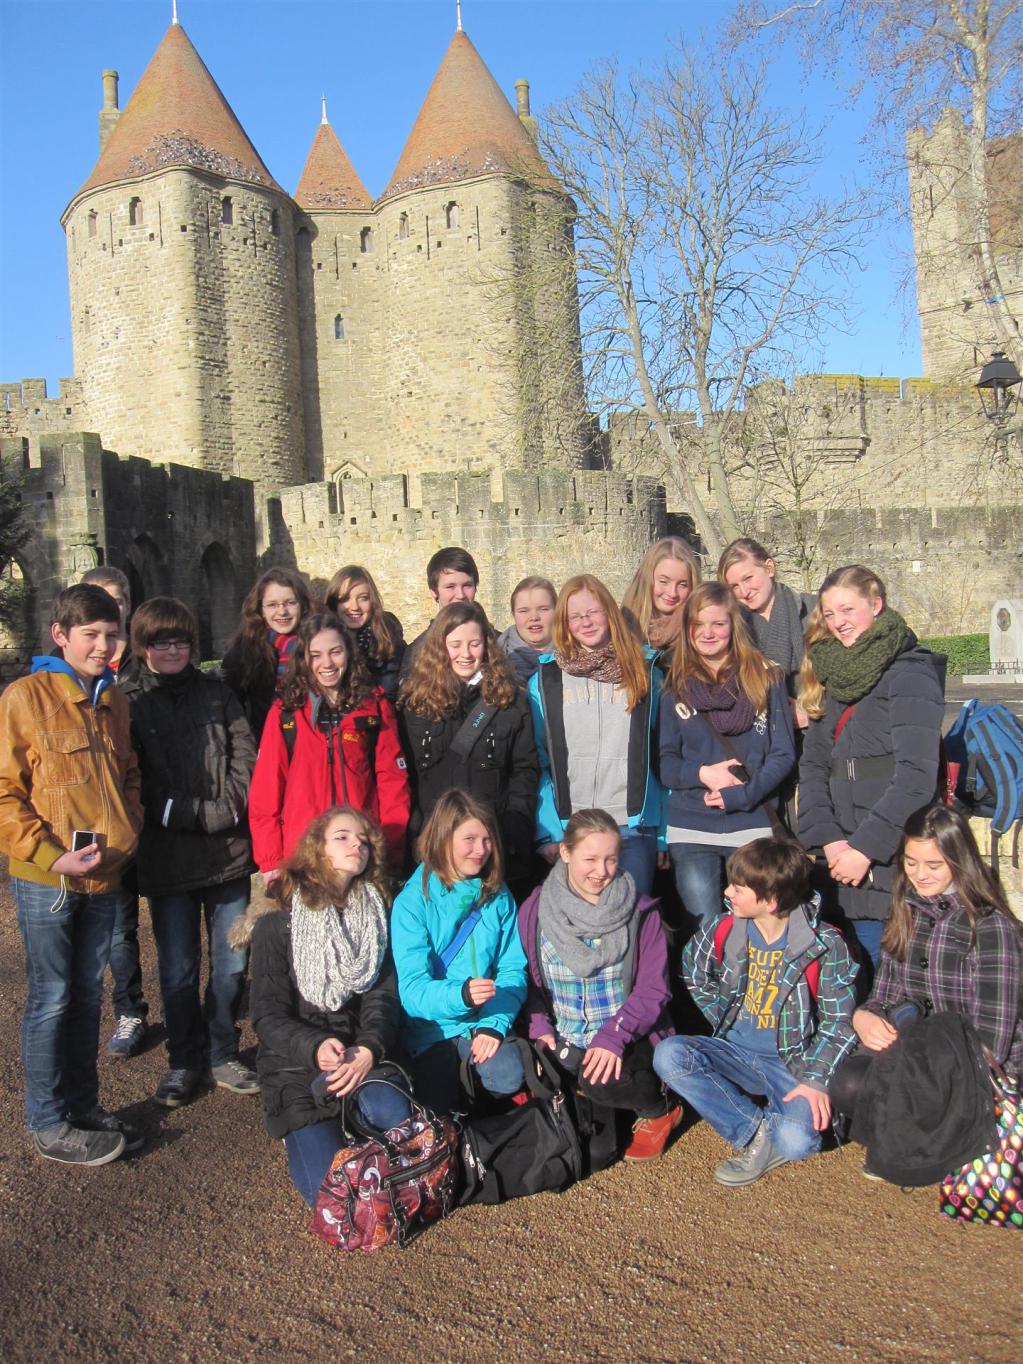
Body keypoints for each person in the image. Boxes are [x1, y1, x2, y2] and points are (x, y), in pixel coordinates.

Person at [0, 585, 144, 1165]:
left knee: (87, 995)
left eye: (112, 634)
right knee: (52, 997)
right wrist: (46, 853)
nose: (103, 646)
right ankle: (47, 1120)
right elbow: (5, 791)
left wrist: (129, 829)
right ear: (60, 636)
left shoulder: (115, 699)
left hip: (103, 875)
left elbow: (129, 775)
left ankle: (83, 1107)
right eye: (91, 635)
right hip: (49, 879)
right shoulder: (25, 698)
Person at [654, 838, 858, 1186]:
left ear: (771, 901)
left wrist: (816, 1080)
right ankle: (755, 1130)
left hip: (791, 1062)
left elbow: (838, 1023)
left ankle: (774, 1123)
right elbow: (692, 970)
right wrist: (721, 1013)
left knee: (797, 1144)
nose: (727, 892)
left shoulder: (825, 944)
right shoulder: (723, 928)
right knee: (669, 1055)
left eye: (738, 888)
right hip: (734, 1051)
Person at [122, 597, 260, 1108]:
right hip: (168, 856)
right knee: (178, 969)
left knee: (231, 965)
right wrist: (190, 814)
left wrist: (227, 809)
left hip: (228, 853)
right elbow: (134, 778)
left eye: (181, 640)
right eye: (161, 641)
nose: (173, 650)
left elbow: (246, 758)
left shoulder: (217, 694)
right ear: (143, 647)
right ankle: (183, 1060)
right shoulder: (130, 703)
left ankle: (222, 1051)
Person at [249, 807, 412, 1207]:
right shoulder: (277, 924)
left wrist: (368, 1048)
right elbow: (267, 1016)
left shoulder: (376, 917)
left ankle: (360, 1125)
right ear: (317, 849)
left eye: (363, 840)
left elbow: (383, 997)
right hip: (296, 1068)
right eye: (342, 837)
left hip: (360, 1055)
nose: (356, 844)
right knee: (335, 1199)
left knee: (400, 1127)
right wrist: (315, 1046)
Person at [831, 804, 1023, 1139]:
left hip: (975, 1063)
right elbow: (884, 996)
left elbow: (992, 1040)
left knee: (905, 1092)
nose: (920, 874)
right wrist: (863, 1017)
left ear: (959, 861)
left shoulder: (990, 927)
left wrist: (921, 1067)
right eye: (911, 862)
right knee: (850, 1083)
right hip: (919, 1047)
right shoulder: (907, 910)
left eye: (934, 865)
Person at [797, 565, 944, 970]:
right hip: (837, 861)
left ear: (876, 605)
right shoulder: (832, 674)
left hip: (886, 860)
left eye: (848, 610)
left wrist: (864, 849)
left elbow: (916, 778)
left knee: (890, 979)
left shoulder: (911, 672)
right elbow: (812, 768)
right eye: (830, 614)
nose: (839, 622)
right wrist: (829, 840)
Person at [518, 809, 682, 1161]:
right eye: (590, 859)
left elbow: (654, 990)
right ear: (565, 852)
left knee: (600, 1084)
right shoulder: (535, 909)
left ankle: (660, 1107)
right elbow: (529, 978)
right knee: (592, 1150)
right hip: (566, 1035)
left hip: (627, 1034)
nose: (602, 871)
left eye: (611, 859)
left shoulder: (641, 912)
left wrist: (613, 1037)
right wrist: (540, 1026)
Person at [659, 582, 796, 928]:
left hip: (752, 825)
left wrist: (744, 794)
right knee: (704, 929)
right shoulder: (674, 686)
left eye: (718, 624)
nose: (708, 633)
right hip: (692, 827)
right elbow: (666, 763)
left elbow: (782, 753)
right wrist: (702, 774)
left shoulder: (766, 678)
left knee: (758, 929)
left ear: (733, 626)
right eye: (698, 625)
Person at [529, 574, 666, 900]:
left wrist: (663, 833)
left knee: (631, 918)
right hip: (573, 829)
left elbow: (663, 755)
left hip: (633, 827)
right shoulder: (546, 681)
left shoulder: (646, 673)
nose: (585, 622)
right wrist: (549, 830)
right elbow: (539, 760)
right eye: (575, 616)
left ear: (609, 612)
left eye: (593, 612)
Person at [390, 791, 527, 1114]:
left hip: (482, 1019)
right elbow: (412, 990)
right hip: (430, 1029)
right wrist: (461, 995)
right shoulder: (412, 902)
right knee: (439, 1109)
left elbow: (512, 968)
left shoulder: (497, 894)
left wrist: (494, 1023)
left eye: (487, 840)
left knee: (508, 1076)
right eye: (470, 840)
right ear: (443, 838)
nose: (481, 850)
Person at [248, 611, 410, 878]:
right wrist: (271, 861)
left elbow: (393, 785)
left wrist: (390, 853)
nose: (327, 663)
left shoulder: (374, 708)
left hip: (361, 856)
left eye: (335, 652)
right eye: (316, 655)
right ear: (304, 658)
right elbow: (266, 792)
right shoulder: (285, 713)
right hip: (303, 860)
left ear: (349, 653)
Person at [399, 601, 539, 885]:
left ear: (486, 646)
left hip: (491, 842)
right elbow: (407, 777)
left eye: (474, 644)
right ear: (440, 647)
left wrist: (514, 828)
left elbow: (525, 770)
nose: (465, 654)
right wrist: (416, 831)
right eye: (455, 645)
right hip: (435, 842)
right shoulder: (415, 704)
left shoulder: (509, 700)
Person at [718, 538, 816, 723]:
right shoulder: (732, 630)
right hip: (763, 731)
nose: (744, 591)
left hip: (818, 731)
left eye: (748, 578)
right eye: (734, 586)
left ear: (769, 568)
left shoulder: (814, 611)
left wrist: (811, 717)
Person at [222, 567, 313, 742]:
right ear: (261, 610)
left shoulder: (320, 646)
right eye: (272, 605)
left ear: (302, 605)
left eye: (290, 603)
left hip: (313, 743)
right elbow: (231, 711)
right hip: (266, 742)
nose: (282, 611)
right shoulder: (244, 650)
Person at [325, 563, 406, 702]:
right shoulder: (322, 645)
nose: (355, 607)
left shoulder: (390, 640)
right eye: (345, 599)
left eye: (363, 598)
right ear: (334, 604)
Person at [399, 546, 480, 685]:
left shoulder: (498, 644)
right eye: (450, 587)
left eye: (467, 585)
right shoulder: (417, 652)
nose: (460, 595)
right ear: (434, 591)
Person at [621, 536, 702, 670]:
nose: (672, 593)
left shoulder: (699, 633)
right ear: (647, 579)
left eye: (682, 584)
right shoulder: (622, 628)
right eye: (664, 581)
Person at [498, 576, 557, 684]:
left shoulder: (576, 656)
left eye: (543, 609)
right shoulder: (494, 659)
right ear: (513, 615)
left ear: (557, 611)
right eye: (524, 611)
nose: (534, 617)